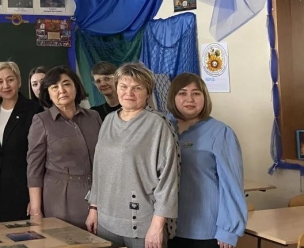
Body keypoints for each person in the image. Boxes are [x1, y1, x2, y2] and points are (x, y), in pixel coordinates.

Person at [87, 62, 179, 248]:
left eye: (137, 88)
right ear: (117, 88)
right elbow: (99, 168)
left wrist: (157, 226)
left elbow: (169, 179)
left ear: (148, 92)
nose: (129, 92)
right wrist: (93, 207)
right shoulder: (108, 120)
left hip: (143, 224)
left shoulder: (158, 124)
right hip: (106, 220)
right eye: (123, 86)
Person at [167, 73, 246, 248]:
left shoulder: (220, 132)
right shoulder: (163, 126)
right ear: (173, 97)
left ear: (205, 97)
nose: (190, 99)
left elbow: (232, 184)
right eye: (182, 93)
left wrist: (228, 230)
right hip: (167, 227)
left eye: (196, 93)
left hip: (204, 230)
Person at [27, 66, 102, 228]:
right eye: (54, 87)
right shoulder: (41, 121)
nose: (61, 90)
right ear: (48, 93)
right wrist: (35, 209)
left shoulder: (93, 117)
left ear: (76, 86)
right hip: (60, 198)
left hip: (97, 195)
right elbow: (34, 169)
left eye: (66, 84)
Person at [0, 61, 43, 222]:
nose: (5, 85)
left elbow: (38, 157)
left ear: (19, 81)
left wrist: (35, 199)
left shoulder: (33, 110)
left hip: (23, 191)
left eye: (10, 79)